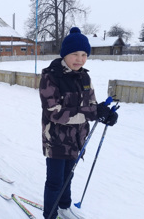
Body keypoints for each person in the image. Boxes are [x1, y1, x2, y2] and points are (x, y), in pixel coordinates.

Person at [39, 27, 118, 219]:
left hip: (77, 139)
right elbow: (54, 112)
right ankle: (49, 214)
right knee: (55, 181)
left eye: (84, 54)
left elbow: (90, 104)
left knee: (68, 176)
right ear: (65, 54)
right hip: (56, 140)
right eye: (74, 54)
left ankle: (64, 207)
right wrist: (91, 113)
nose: (79, 59)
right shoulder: (51, 77)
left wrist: (103, 113)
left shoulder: (84, 76)